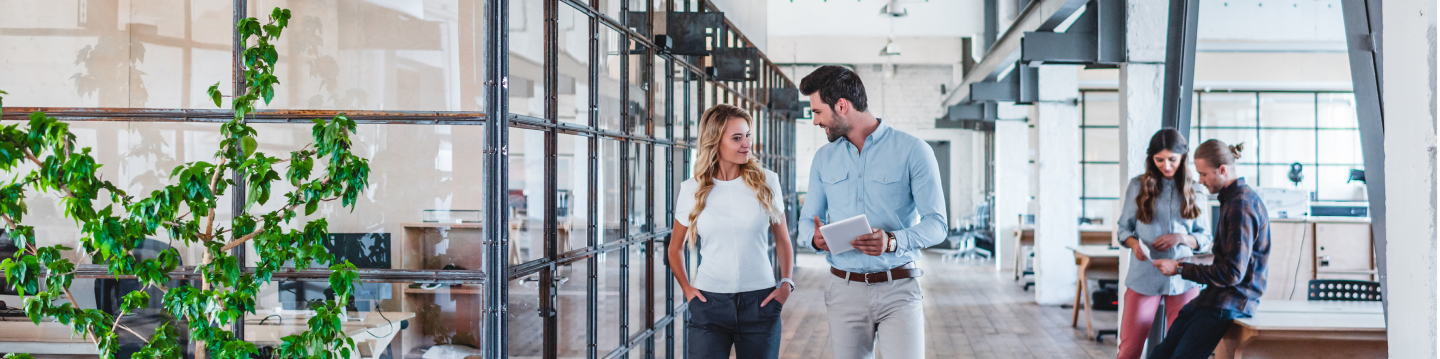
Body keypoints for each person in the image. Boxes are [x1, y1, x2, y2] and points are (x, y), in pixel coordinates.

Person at [797, 65, 946, 359]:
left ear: (842, 106)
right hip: (844, 290)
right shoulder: (823, 159)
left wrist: (892, 240)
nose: (815, 121)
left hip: (899, 290)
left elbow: (937, 225)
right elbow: (806, 221)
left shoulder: (914, 151)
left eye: (817, 112)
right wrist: (815, 239)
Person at [667, 104, 794, 359]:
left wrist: (786, 284)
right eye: (737, 138)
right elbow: (675, 248)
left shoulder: (767, 182)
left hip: (761, 303)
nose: (746, 143)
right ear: (715, 142)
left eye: (747, 135)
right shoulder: (692, 189)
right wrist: (688, 292)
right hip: (708, 305)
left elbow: (783, 240)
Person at [1149, 140, 1270, 359]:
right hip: (1216, 297)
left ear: (1222, 170)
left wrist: (1179, 269)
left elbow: (1232, 273)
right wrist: (1191, 260)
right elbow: (1224, 259)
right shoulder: (1232, 200)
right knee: (1160, 355)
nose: (1200, 180)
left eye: (1203, 174)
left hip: (1231, 300)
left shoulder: (1241, 205)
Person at [1115, 129, 1211, 359]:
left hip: (1184, 278)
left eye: (1172, 160)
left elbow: (1205, 239)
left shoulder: (1197, 190)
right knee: (1129, 348)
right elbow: (1123, 229)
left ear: (1183, 158)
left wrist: (1181, 238)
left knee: (1181, 350)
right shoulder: (1137, 186)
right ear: (1151, 159)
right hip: (1144, 276)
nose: (1166, 166)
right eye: (1159, 160)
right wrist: (1134, 244)